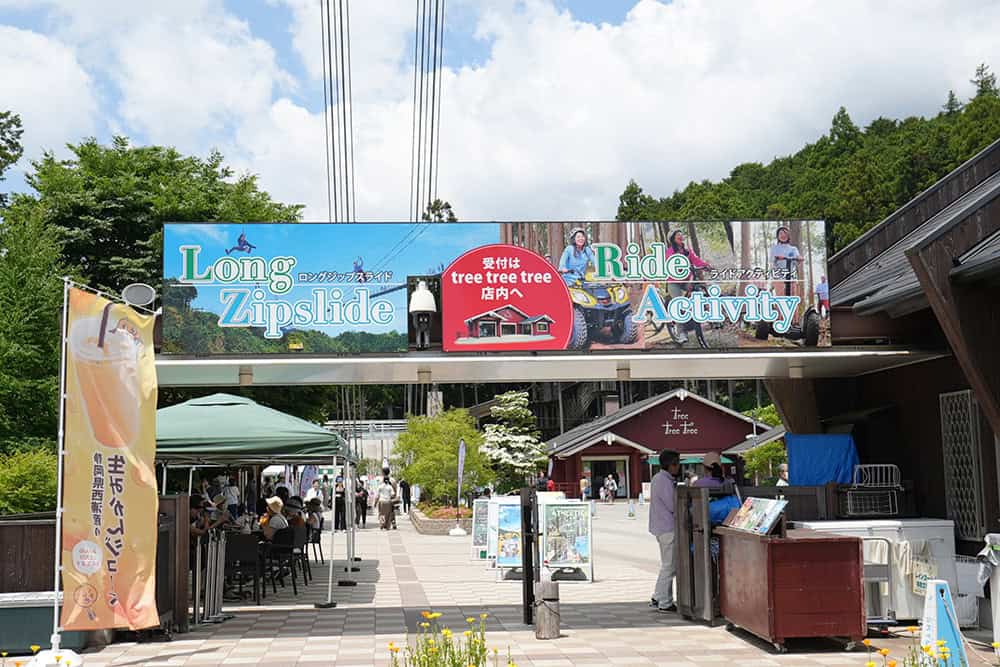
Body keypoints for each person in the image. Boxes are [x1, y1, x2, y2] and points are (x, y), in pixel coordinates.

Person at [664, 230, 713, 344]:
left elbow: (696, 260)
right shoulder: (669, 252)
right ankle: (681, 332)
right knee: (678, 304)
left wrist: (706, 266)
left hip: (686, 280)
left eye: (681, 235)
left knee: (699, 288)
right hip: (674, 282)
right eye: (677, 235)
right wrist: (681, 268)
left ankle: (710, 315)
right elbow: (669, 265)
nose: (680, 236)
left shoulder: (687, 251)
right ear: (672, 239)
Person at [650, 449, 680, 613]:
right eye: (677, 463)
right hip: (668, 528)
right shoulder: (665, 481)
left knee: (667, 565)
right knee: (669, 566)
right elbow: (672, 505)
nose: (679, 467)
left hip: (660, 527)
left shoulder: (658, 478)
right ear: (671, 465)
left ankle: (658, 596)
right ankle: (665, 601)